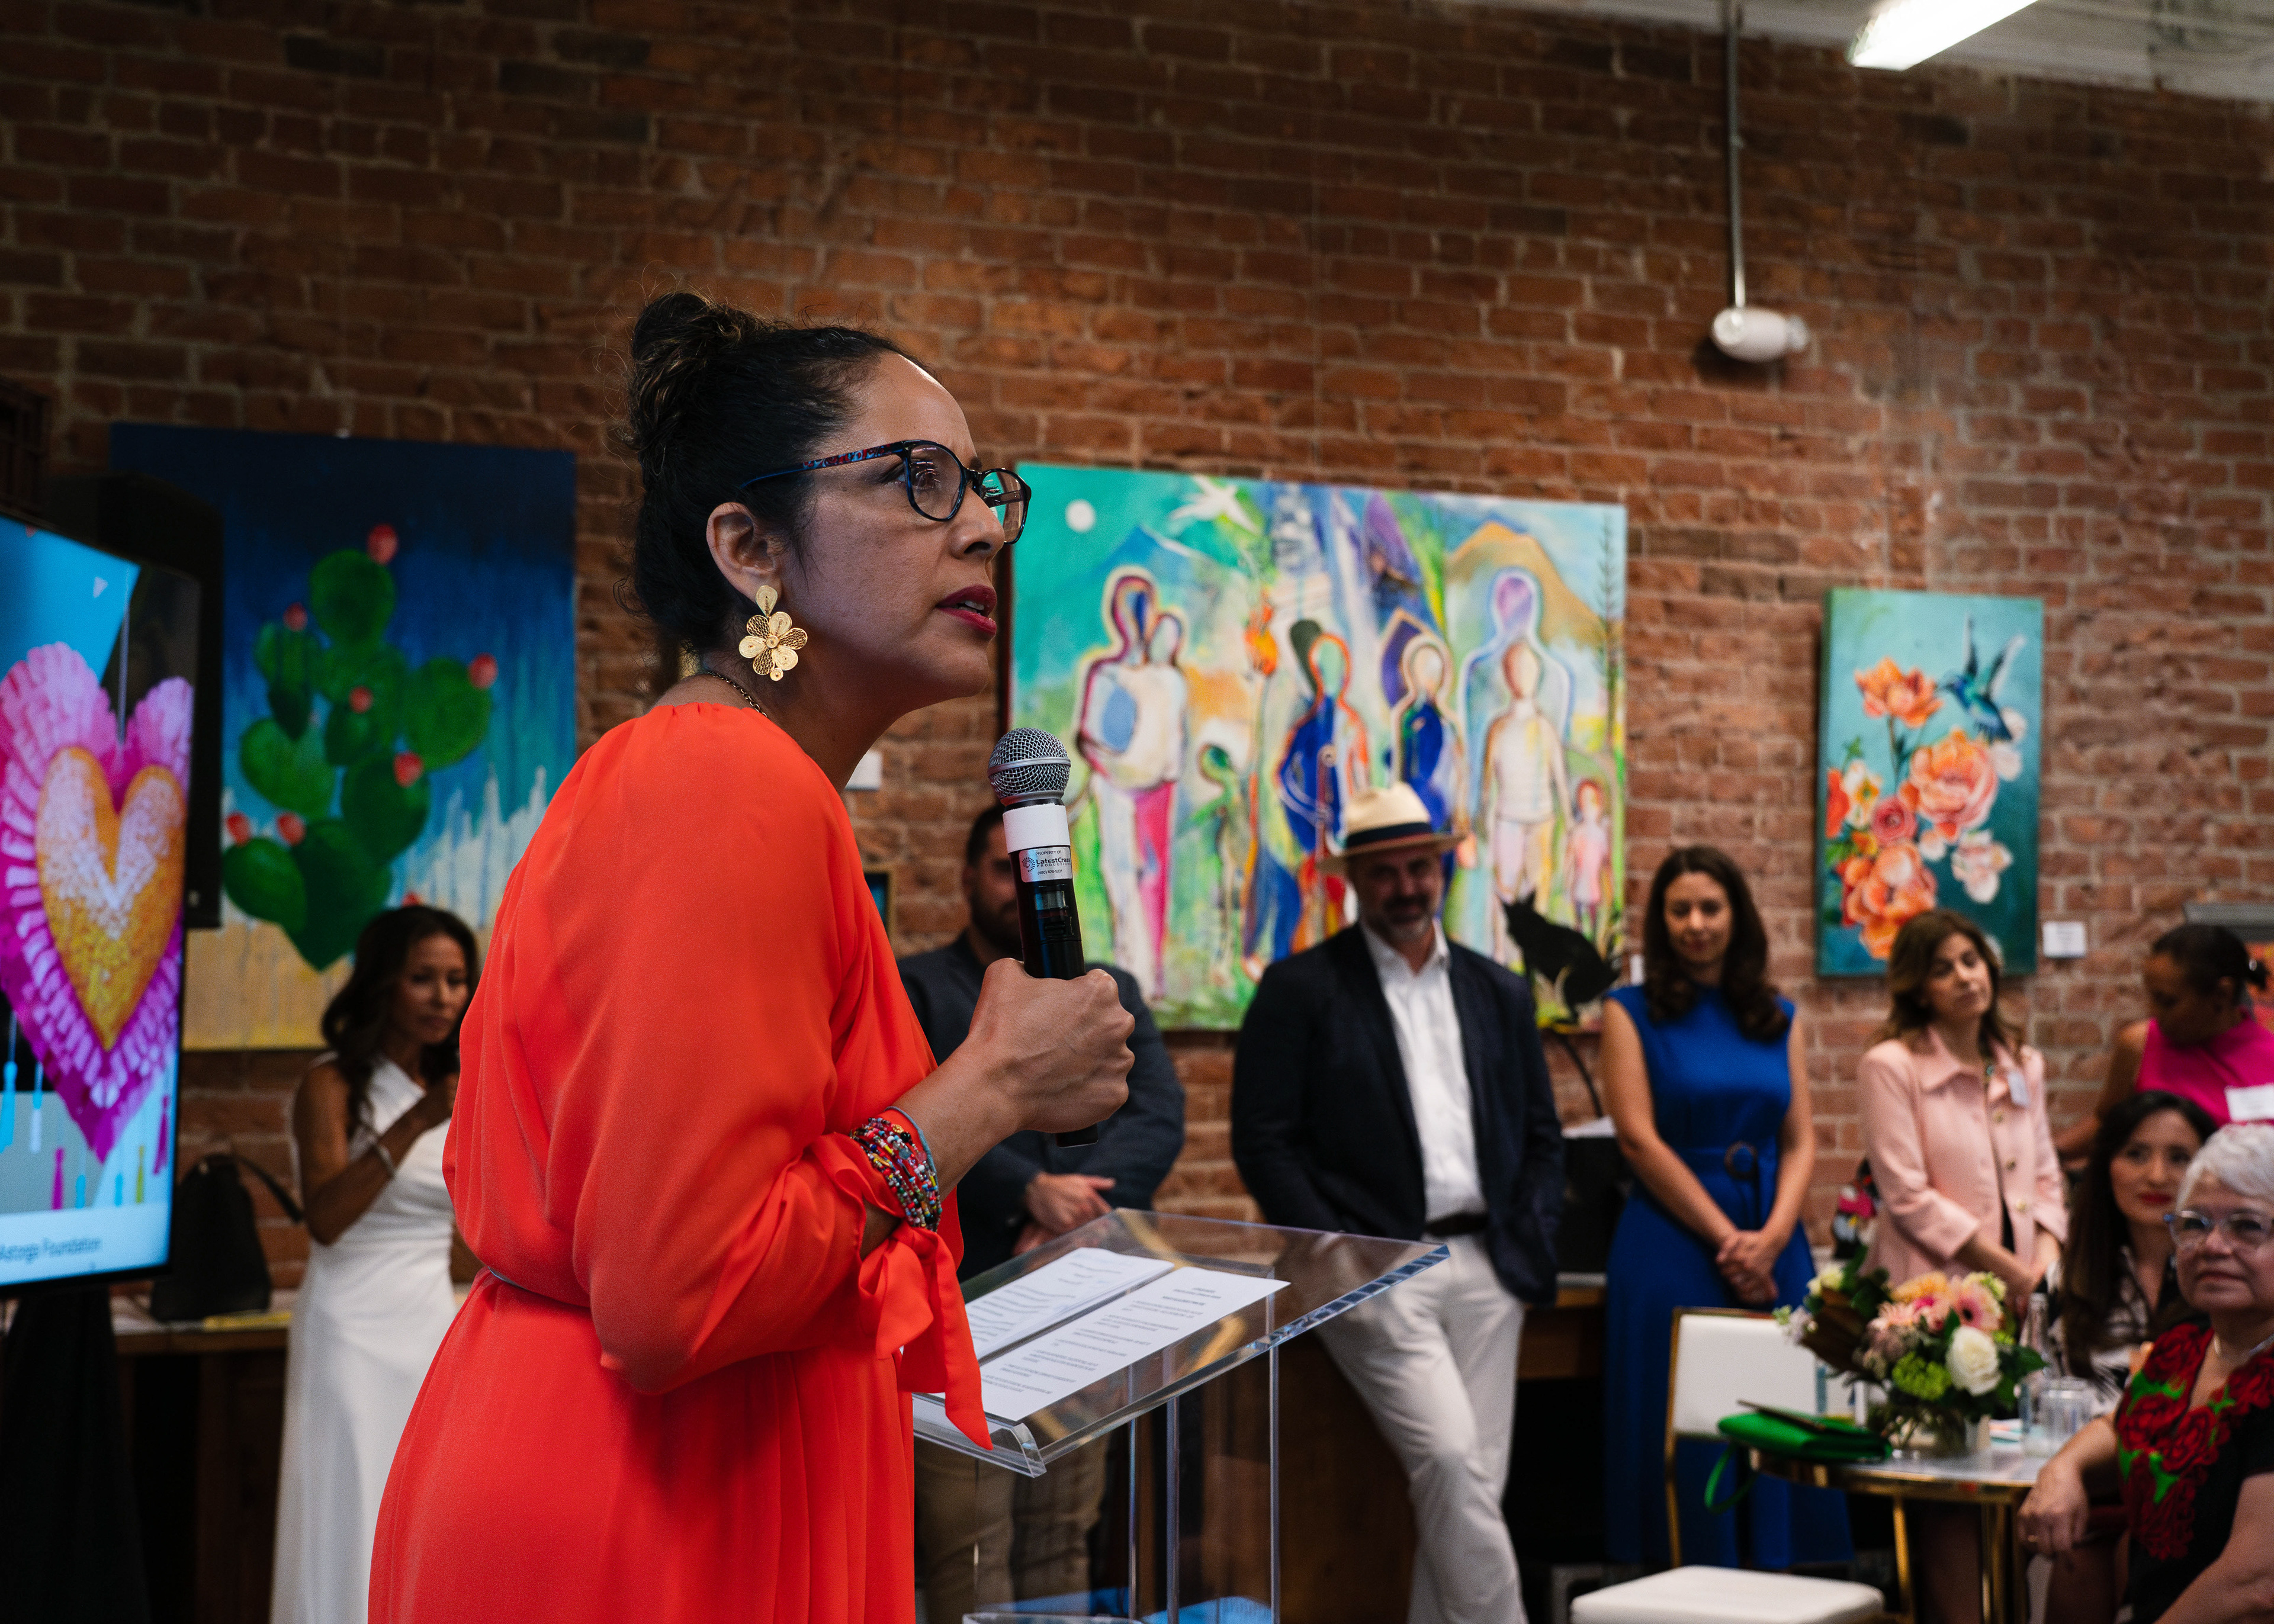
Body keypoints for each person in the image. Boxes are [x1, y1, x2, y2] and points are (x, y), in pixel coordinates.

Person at [370, 293, 1135, 1624]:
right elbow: (681, 1288)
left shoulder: (748, 780)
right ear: (750, 547)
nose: (980, 526)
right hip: (650, 1501)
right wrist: (995, 1085)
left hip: (696, 1465)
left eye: (984, 487)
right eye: (918, 478)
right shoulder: (723, 780)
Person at [1232, 782, 1564, 1624]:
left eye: (1420, 868)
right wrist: (1331, 1244)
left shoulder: (1499, 989)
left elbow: (1541, 1132)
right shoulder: (1301, 987)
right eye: (1385, 872)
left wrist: (1533, 1228)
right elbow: (1263, 1137)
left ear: (1443, 870)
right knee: (1450, 1459)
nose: (1406, 887)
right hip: (1375, 1265)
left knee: (1469, 1488)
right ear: (1353, 880)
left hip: (1491, 1265)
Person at [898, 803, 1186, 1624]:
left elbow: (1158, 1114)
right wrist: (1028, 1189)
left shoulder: (1101, 991)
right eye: (1002, 869)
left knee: (1063, 1534)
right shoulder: (919, 987)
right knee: (972, 1543)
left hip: (1081, 1300)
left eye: (1034, 872)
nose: (1020, 890)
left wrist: (1075, 1212)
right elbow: (904, 1119)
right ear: (966, 878)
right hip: (963, 1304)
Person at [1598, 846, 1851, 1571]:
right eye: (1679, 910)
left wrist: (1772, 1237)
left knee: (1783, 1419)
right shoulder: (1628, 1011)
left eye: (1711, 907)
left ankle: (1786, 1587)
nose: (1696, 923)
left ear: (1737, 916)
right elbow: (1638, 1140)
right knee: (1690, 1427)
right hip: (1673, 1238)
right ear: (1661, 921)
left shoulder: (1778, 1015)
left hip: (1774, 1238)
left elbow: (1800, 1139)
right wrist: (1730, 1241)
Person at [1857, 909, 2067, 1624]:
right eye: (1942, 968)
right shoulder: (1892, 1064)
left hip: (2022, 1301)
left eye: (1971, 960)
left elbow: (2047, 1177)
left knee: (2019, 1474)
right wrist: (2011, 1269)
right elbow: (1907, 1194)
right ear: (1917, 986)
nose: (1963, 977)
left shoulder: (2021, 1062)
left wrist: (2043, 1266)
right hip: (1934, 1302)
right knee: (1949, 1491)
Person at [271, 905, 476, 1624]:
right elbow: (326, 1219)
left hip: (429, 1323)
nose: (444, 998)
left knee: (419, 1511)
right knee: (350, 1504)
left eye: (457, 980)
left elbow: (471, 1228)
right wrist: (417, 1121)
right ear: (384, 982)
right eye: (423, 978)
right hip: (350, 1330)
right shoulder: (331, 1085)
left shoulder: (462, 1085)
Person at [2019, 1123, 2274, 1624]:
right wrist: (2064, 1469)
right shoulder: (2185, 1348)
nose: (2213, 1245)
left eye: (2247, 1226)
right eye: (2194, 1224)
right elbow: (2124, 1426)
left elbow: (2256, 1582)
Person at [2031, 1090, 2217, 1623]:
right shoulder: (2065, 1280)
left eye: (2179, 1157)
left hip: (2199, 1488)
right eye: (2136, 1154)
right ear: (2105, 1165)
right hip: (2088, 1488)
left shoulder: (2226, 1275)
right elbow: (2036, 1398)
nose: (2156, 1175)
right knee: (2078, 1561)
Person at [2057, 924, 2274, 1161]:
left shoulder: (2268, 1055)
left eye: (2168, 1002)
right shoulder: (2139, 1044)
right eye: (2152, 997)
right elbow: (2107, 1125)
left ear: (2222, 994)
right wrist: (2047, 1156)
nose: (2153, 1011)